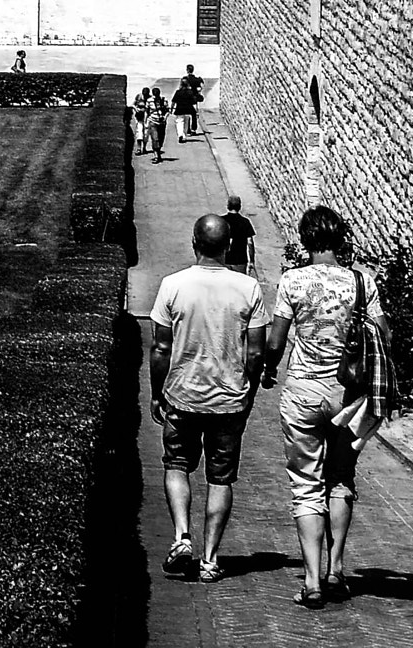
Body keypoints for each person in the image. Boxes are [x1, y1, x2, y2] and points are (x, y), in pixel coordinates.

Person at [263, 204, 388, 608]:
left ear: (306, 240)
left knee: (305, 484)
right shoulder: (362, 282)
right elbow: (385, 334)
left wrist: (268, 369)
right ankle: (336, 570)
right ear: (340, 239)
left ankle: (312, 581)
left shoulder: (292, 281)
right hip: (348, 395)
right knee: (341, 478)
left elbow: (277, 341)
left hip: (303, 390)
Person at [150, 213, 270, 583]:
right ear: (229, 245)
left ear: (194, 242)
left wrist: (157, 393)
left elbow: (160, 346)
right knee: (221, 479)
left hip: (182, 396)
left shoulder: (173, 285)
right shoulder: (248, 288)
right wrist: (247, 387)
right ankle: (210, 559)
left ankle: (182, 536)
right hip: (229, 400)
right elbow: (255, 352)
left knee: (177, 465)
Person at [223, 196, 257, 277]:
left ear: (228, 206)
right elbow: (250, 242)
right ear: (239, 207)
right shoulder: (245, 222)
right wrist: (251, 261)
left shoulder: (221, 221)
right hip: (240, 261)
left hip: (223, 260)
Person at [172, 67, 203, 143]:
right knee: (189, 119)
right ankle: (190, 131)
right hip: (189, 106)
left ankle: (181, 135)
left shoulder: (178, 91)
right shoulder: (195, 81)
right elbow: (201, 86)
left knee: (179, 122)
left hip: (179, 109)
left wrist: (171, 108)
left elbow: (173, 101)